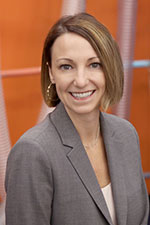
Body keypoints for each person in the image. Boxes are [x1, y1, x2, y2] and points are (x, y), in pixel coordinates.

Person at [5, 13, 149, 225]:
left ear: (108, 68)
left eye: (94, 64)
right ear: (51, 73)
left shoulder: (126, 134)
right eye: (66, 66)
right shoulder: (33, 152)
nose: (81, 81)